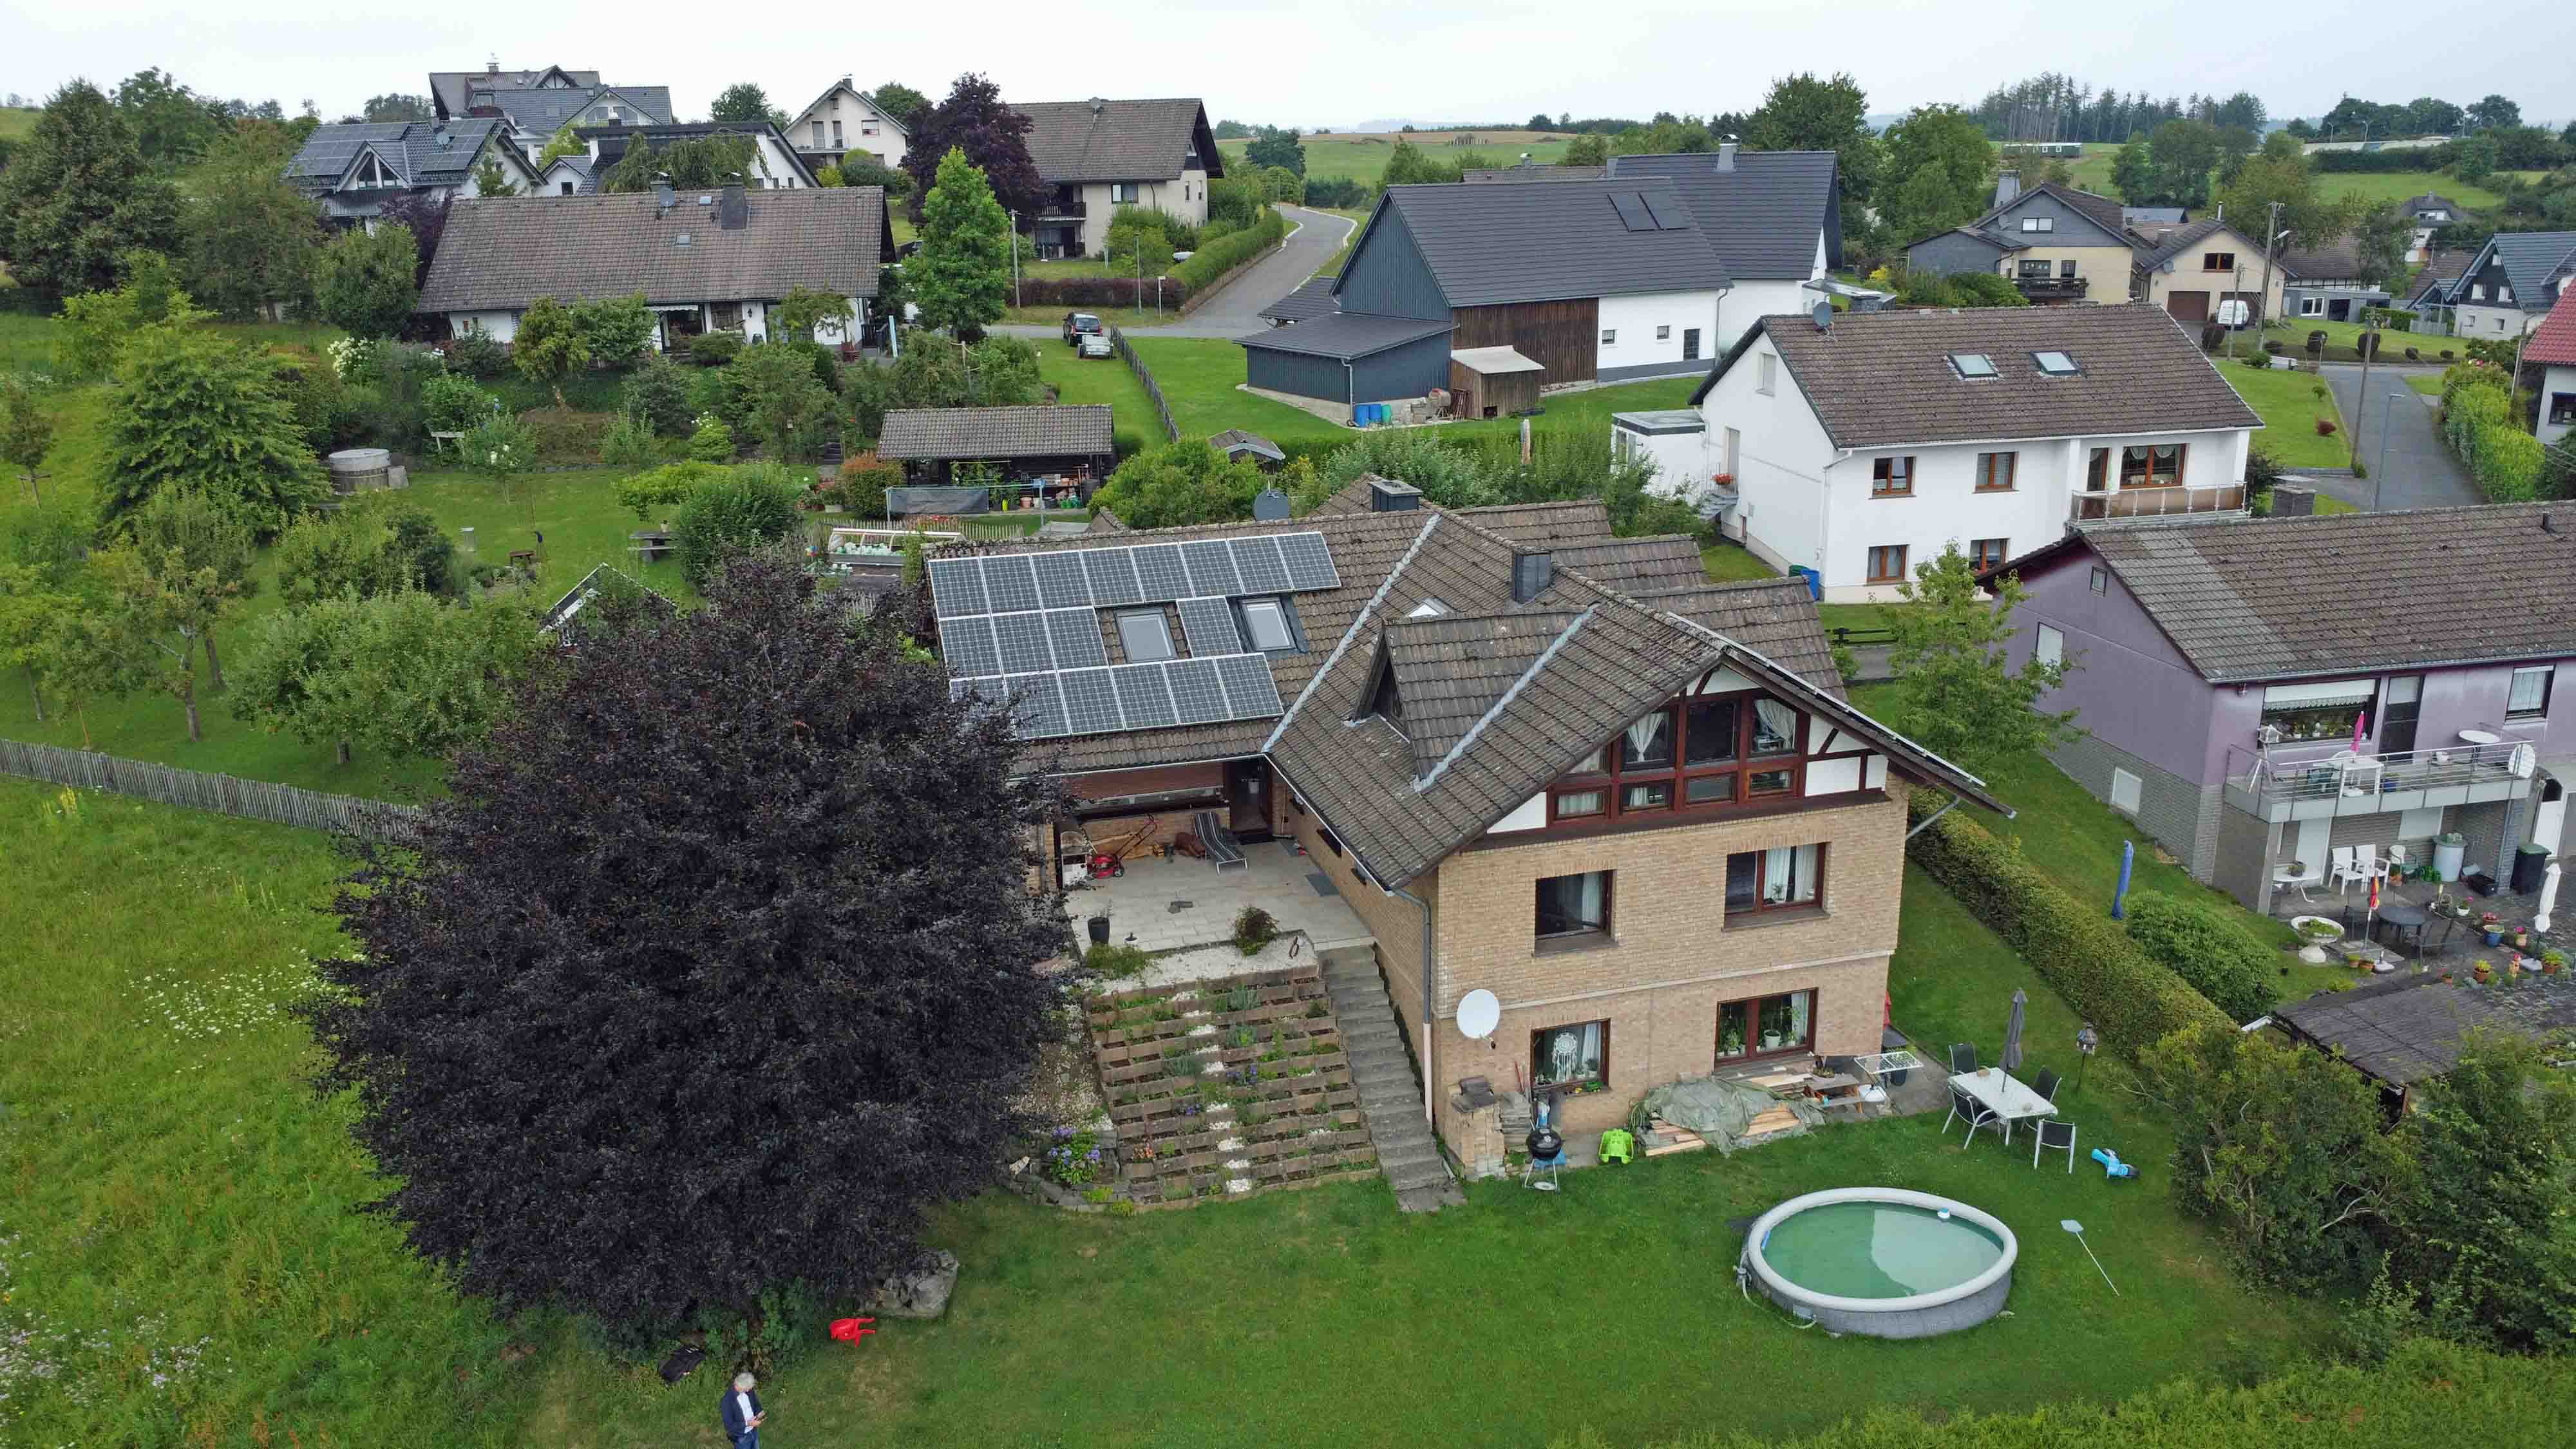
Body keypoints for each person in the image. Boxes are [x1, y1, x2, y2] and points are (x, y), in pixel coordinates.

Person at [719, 1371, 766, 1447]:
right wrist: (748, 1423)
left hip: (754, 1431)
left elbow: (756, 1405)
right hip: (742, 1437)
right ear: (741, 1386)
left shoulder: (749, 1391)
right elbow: (729, 1426)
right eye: (747, 1389)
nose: (748, 1391)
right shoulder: (727, 1401)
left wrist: (760, 1414)